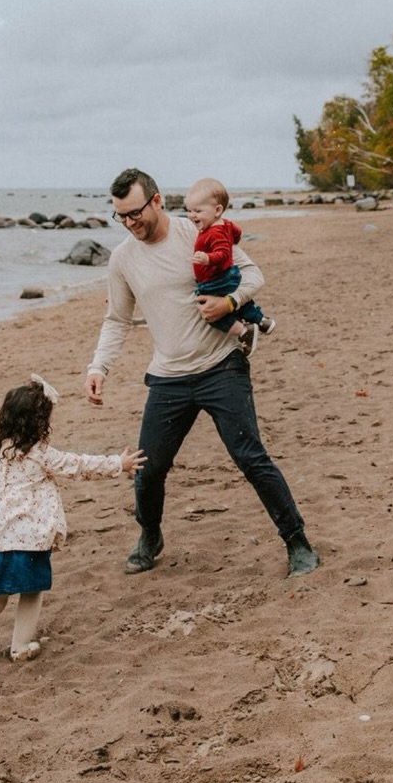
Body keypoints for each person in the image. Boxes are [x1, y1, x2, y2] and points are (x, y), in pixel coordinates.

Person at [85, 167, 319, 578]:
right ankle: (150, 535)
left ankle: (297, 541)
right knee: (148, 467)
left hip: (220, 367)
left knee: (250, 457)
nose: (129, 223)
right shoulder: (123, 258)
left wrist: (230, 304)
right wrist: (99, 366)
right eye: (120, 216)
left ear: (157, 201)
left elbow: (252, 274)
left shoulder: (200, 232)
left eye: (134, 213)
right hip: (167, 376)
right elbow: (117, 318)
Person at [0, 374, 139, 691]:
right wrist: (118, 463)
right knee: (31, 590)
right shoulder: (40, 453)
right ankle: (20, 647)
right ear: (39, 423)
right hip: (24, 538)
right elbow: (78, 465)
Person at [183, 177, 275, 356]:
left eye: (198, 211)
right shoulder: (225, 224)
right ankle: (263, 322)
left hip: (216, 278)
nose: (191, 215)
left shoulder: (214, 232)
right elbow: (237, 232)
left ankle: (243, 331)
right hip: (228, 275)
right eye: (188, 210)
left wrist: (207, 259)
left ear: (217, 210)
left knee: (211, 314)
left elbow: (224, 254)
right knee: (244, 305)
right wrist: (234, 240)